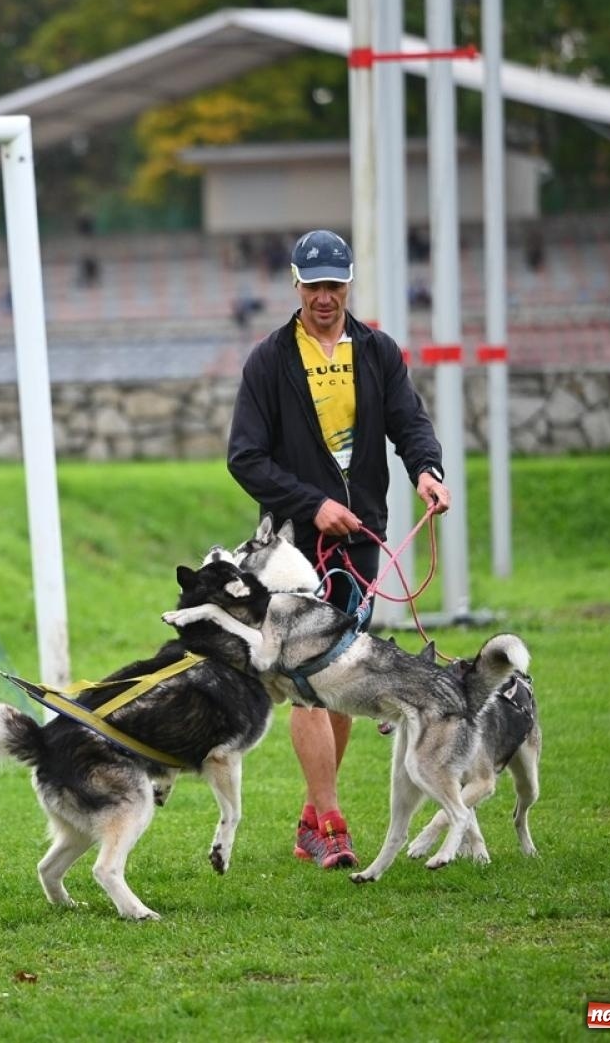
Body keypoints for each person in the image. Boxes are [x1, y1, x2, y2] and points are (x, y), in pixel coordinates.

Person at [227, 229, 451, 870]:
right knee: (305, 681)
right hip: (298, 546)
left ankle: (310, 816)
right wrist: (311, 504)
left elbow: (409, 422)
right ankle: (330, 820)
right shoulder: (269, 362)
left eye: (335, 285)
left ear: (348, 284)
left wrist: (427, 469)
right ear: (295, 285)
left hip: (362, 537)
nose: (325, 297)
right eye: (314, 285)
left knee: (344, 675)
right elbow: (245, 458)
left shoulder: (378, 351)